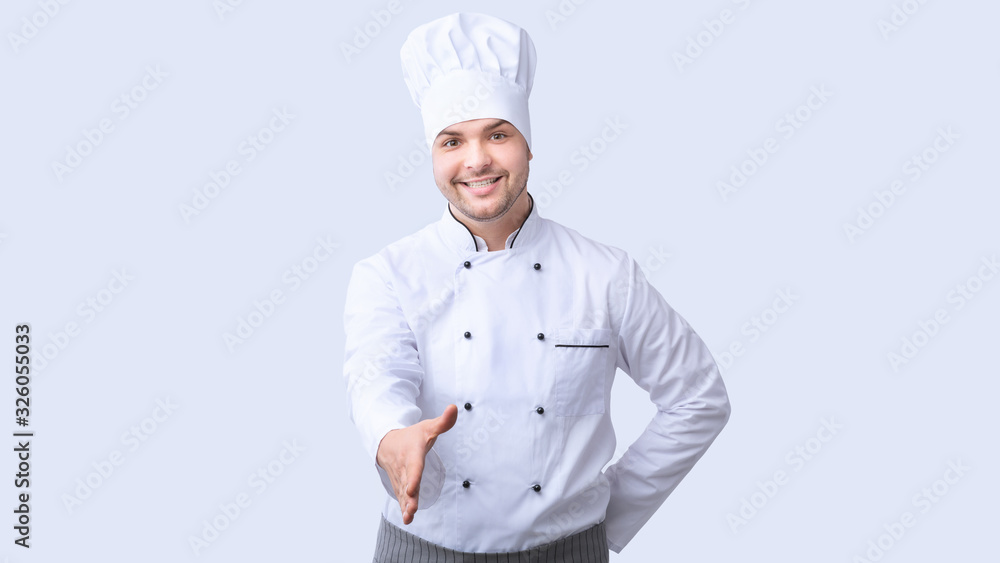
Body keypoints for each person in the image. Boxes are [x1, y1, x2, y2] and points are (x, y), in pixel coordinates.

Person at [342, 12, 731, 562]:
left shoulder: (605, 274)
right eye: (452, 141)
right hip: (422, 549)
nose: (476, 160)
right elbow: (375, 377)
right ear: (432, 155)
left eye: (497, 135)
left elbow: (698, 397)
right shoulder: (388, 274)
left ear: (528, 145)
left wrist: (602, 518)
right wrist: (392, 437)